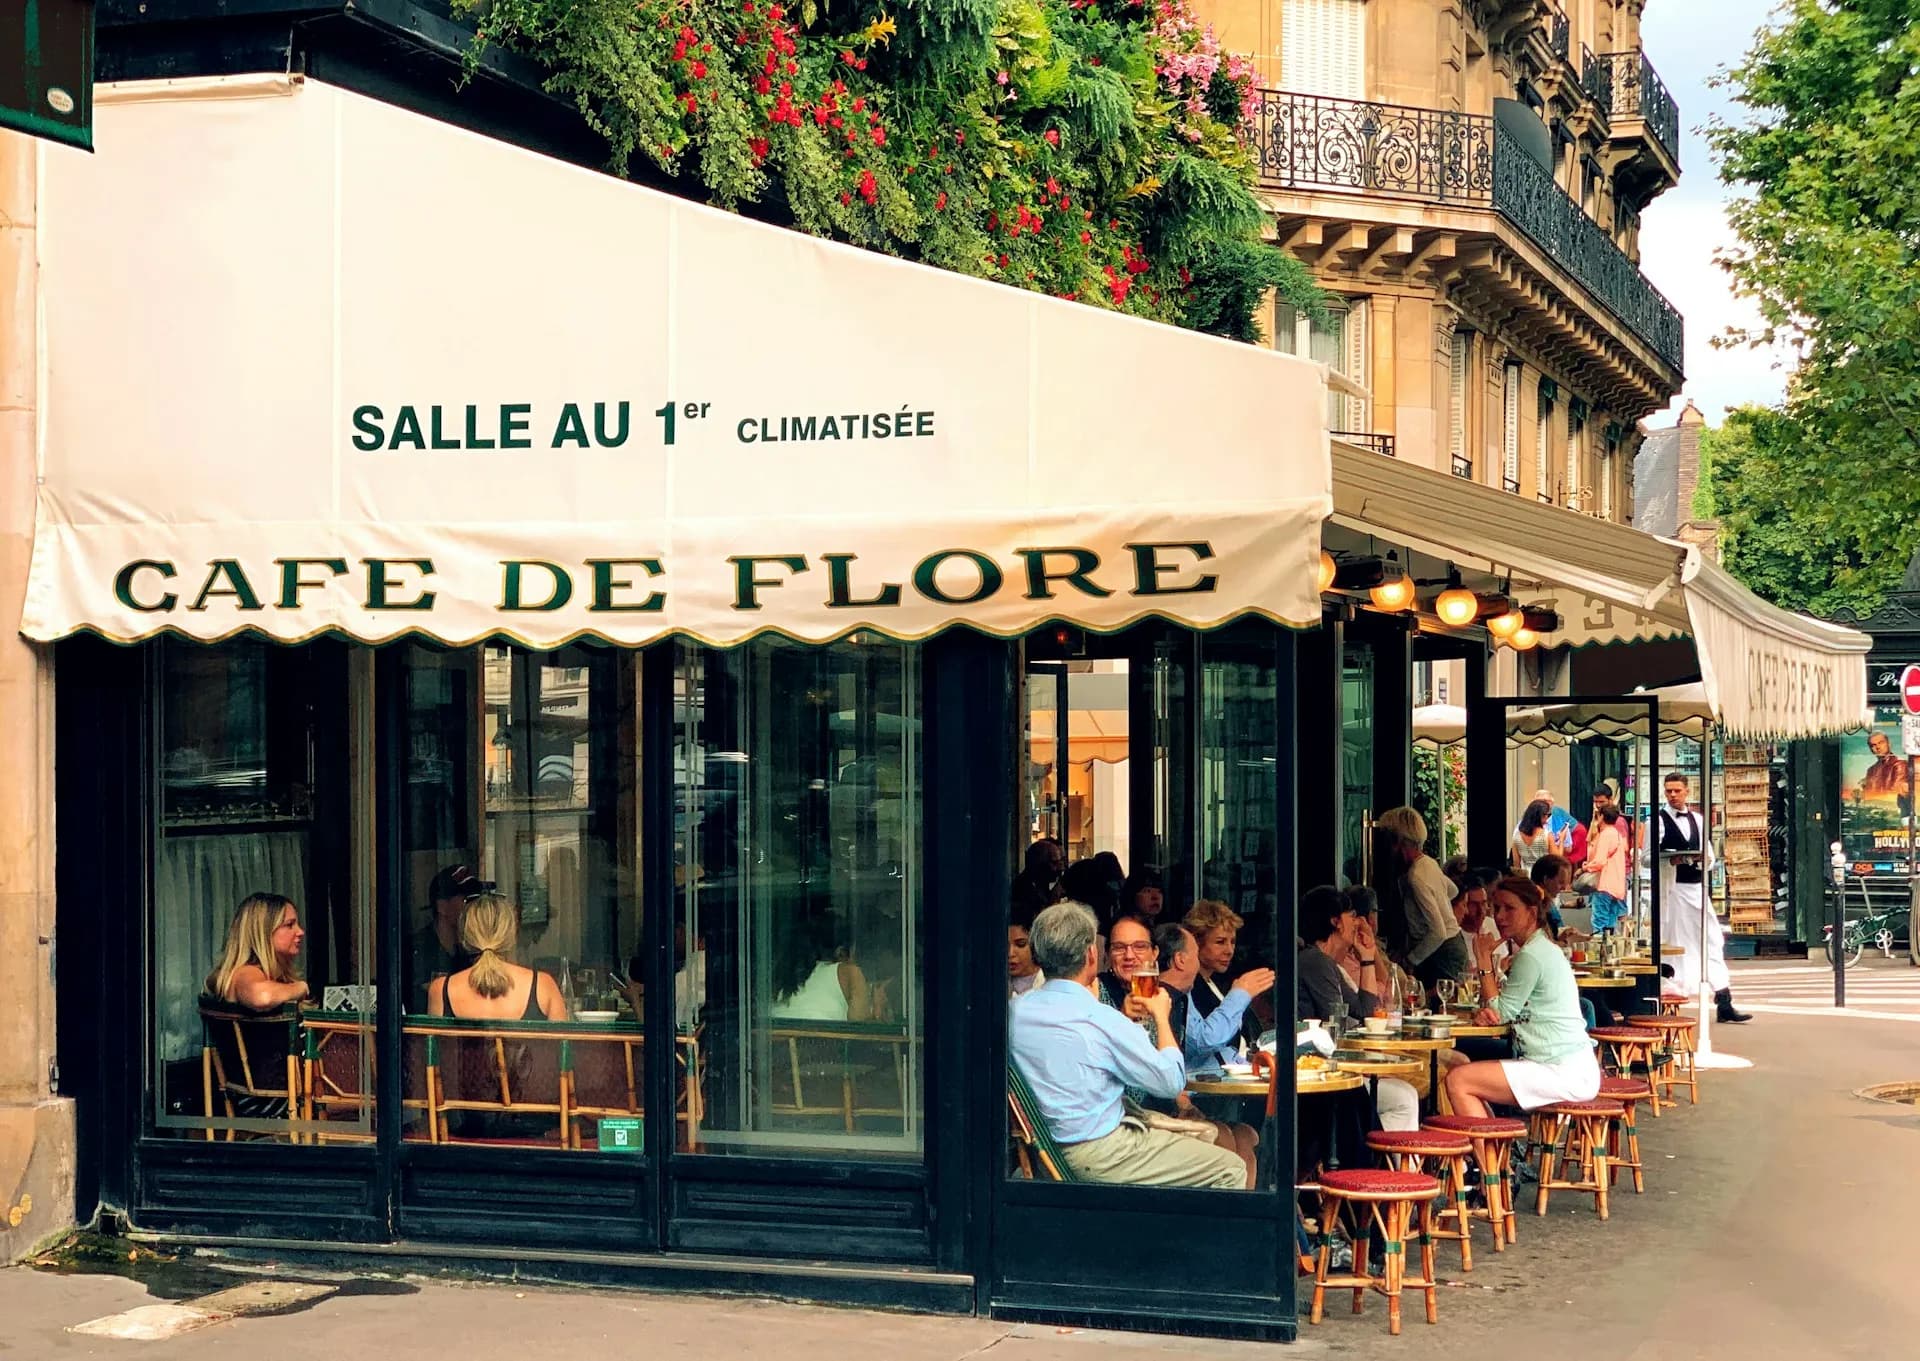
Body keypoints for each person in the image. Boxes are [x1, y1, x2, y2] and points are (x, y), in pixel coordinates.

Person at [1007, 902, 1247, 1188]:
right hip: (1101, 1151)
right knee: (1230, 1167)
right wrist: (1160, 1015)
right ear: (1092, 954)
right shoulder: (1100, 1016)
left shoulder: (1013, 1013)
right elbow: (1170, 1082)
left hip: (1044, 1151)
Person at [1443, 878, 1600, 1118]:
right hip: (1569, 1065)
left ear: (1532, 912)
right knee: (1460, 1068)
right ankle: (1494, 1152)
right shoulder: (1540, 949)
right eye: (1496, 909)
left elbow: (1499, 1013)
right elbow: (1501, 1008)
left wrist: (1484, 959)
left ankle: (1488, 1156)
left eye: (1509, 908)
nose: (1500, 916)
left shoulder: (1532, 955)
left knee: (1459, 1080)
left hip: (1561, 1070)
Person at [1294, 887, 1418, 1132]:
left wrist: (1368, 957)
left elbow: (1366, 1011)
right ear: (1335, 922)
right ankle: (1377, 1165)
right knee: (1403, 1098)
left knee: (1404, 1094)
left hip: (1333, 1068)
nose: (1358, 923)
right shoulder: (1314, 962)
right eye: (1352, 915)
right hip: (1317, 1074)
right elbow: (1339, 1021)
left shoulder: (1327, 963)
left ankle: (1384, 1164)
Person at [1150, 922, 1265, 1181]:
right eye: (1195, 953)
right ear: (1180, 959)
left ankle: (1249, 1217)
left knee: (1246, 1135)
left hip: (1189, 1094)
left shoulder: (1183, 995)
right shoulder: (1159, 997)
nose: (1229, 950)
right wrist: (1240, 995)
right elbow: (1199, 1042)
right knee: (1225, 1135)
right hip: (1165, 1104)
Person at [1646, 773, 1750, 1023]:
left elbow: (1711, 856)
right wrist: (1672, 859)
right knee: (1673, 943)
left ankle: (1723, 998)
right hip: (1673, 890)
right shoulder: (1655, 821)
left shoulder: (1699, 820)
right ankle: (1666, 995)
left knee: (1712, 940)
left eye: (1677, 791)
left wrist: (1704, 861)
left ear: (1687, 792)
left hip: (1697, 889)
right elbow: (1646, 857)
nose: (1672, 795)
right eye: (1668, 791)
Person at [427, 893, 569, 1021]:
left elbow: (435, 1049)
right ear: (511, 936)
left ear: (465, 937)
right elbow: (563, 1048)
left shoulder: (440, 990)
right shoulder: (543, 986)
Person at [1374, 806, 1470, 995]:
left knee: (1436, 1002)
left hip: (1441, 951)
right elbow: (1452, 890)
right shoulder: (1429, 863)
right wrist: (1440, 906)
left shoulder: (1416, 877)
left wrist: (1411, 959)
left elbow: (1438, 932)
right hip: (1452, 945)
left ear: (1399, 842)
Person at [206, 892, 310, 1011]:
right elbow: (263, 997)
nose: (300, 932)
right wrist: (300, 988)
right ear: (264, 932)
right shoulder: (245, 972)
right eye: (289, 925)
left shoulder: (268, 974)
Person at [409, 863, 491, 1012]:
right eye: (467, 899)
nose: (475, 906)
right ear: (442, 906)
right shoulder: (417, 951)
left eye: (476, 898)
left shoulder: (474, 948)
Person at [773, 915, 876, 1021]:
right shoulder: (850, 972)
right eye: (854, 952)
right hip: (821, 1036)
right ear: (841, 952)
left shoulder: (785, 972)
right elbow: (860, 1026)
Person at [1183, 899, 1244, 1019]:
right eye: (1220, 942)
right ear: (1196, 942)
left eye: (1233, 942)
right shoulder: (1190, 988)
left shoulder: (1221, 981)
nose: (1229, 951)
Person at [1583, 805, 1631, 934]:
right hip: (1617, 886)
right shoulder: (1617, 834)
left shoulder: (1605, 835)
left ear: (1602, 816)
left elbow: (1599, 861)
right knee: (1610, 923)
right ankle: (1610, 950)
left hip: (1604, 884)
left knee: (1599, 922)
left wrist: (1585, 868)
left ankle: (1600, 951)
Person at [1010, 838, 1065, 916]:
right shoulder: (1021, 890)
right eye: (1054, 863)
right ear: (1039, 864)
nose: (1060, 868)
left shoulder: (1043, 886)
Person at [1861, 730, 1911, 801]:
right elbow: (1867, 794)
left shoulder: (1899, 765)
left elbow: (1895, 795)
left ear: (1889, 744)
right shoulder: (1870, 770)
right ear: (1870, 749)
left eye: (1881, 742)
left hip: (1889, 808)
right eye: (1873, 745)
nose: (1877, 747)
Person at [1510, 799, 1555, 874]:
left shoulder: (1516, 834)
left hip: (1526, 875)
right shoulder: (1546, 835)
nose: (1547, 819)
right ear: (1541, 816)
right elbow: (1556, 859)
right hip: (1543, 875)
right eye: (1548, 815)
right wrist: (1562, 841)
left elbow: (1516, 862)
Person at [1007, 911, 1046, 999]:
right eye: (1004, 945)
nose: (1010, 953)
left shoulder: (1048, 981)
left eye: (1021, 944)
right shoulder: (993, 983)